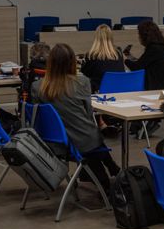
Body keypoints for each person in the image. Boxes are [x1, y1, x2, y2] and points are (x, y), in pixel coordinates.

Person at [31, 44, 120, 189]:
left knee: (87, 133)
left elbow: (38, 118)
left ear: (50, 62)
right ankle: (109, 173)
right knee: (90, 134)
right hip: (82, 143)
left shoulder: (37, 87)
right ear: (72, 62)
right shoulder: (82, 82)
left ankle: (110, 168)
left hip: (55, 142)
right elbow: (88, 113)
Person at [125, 21, 164, 90]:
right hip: (159, 85)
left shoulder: (153, 49)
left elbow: (136, 67)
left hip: (152, 88)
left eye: (139, 35)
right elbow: (142, 62)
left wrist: (125, 59)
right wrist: (129, 56)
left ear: (144, 36)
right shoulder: (161, 48)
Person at [80, 24, 125, 93]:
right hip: (119, 90)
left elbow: (85, 74)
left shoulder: (92, 55)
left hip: (99, 93)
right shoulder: (118, 53)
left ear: (96, 37)